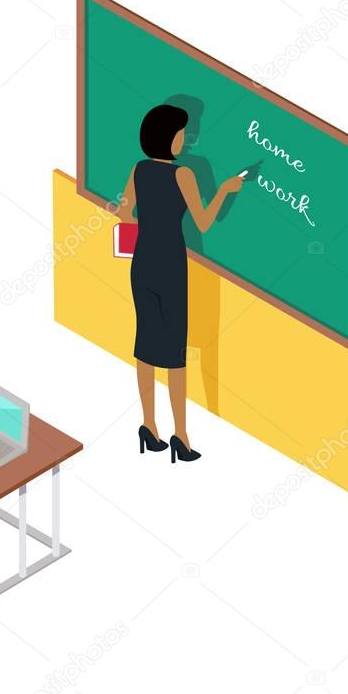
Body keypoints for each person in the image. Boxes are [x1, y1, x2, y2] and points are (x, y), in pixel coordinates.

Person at [117, 104, 244, 463]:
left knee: (145, 344)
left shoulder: (139, 169)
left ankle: (148, 425)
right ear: (168, 135)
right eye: (180, 133)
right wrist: (226, 190)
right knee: (175, 352)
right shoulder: (183, 174)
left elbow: (124, 212)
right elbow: (203, 222)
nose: (183, 139)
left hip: (143, 263)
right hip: (171, 265)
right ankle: (181, 436)